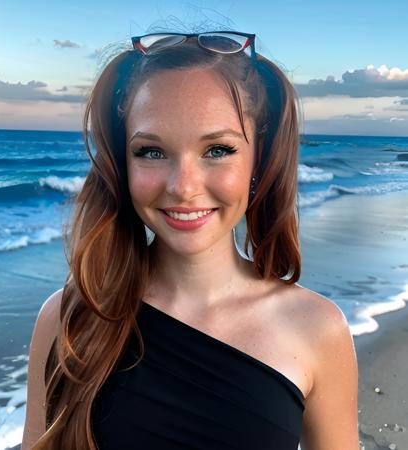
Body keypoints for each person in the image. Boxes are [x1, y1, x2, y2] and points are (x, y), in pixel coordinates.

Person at [21, 31, 360, 450]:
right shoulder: (69, 318)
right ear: (121, 163)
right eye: (151, 151)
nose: (183, 187)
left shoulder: (318, 329)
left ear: (261, 157)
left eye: (217, 150)